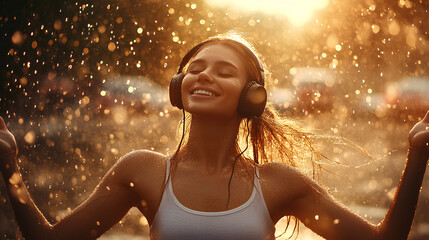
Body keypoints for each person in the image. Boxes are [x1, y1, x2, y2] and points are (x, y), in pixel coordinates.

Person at [0, 32, 429, 240]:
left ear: (252, 98)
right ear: (177, 87)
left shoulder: (279, 184)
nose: (203, 75)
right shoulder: (142, 171)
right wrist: (12, 173)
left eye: (224, 71)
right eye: (196, 68)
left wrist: (417, 155)